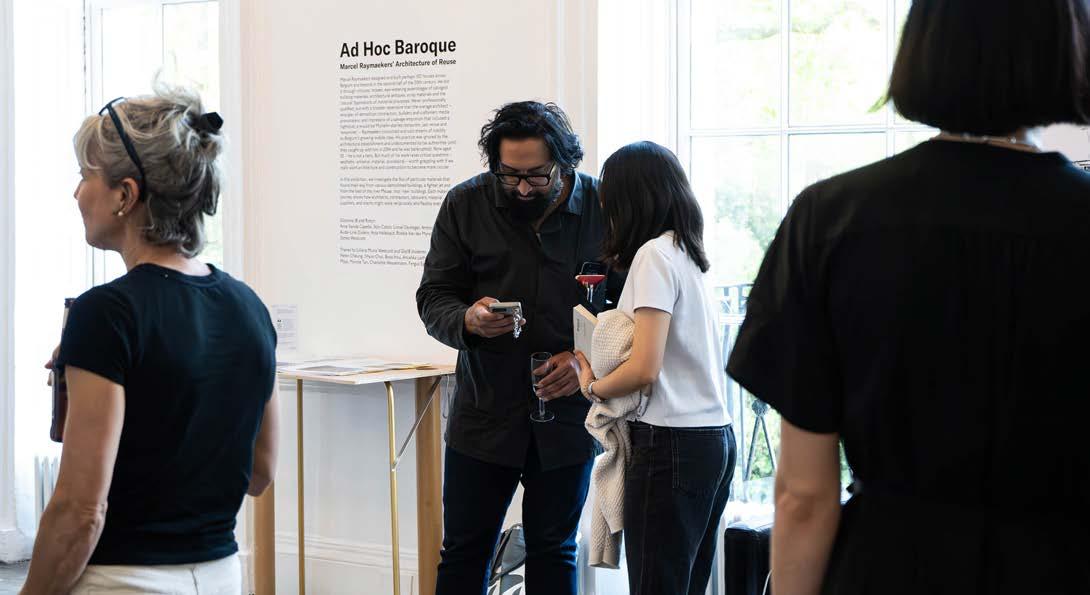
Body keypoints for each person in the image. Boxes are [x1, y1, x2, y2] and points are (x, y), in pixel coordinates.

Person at [727, 1, 1090, 593]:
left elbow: (803, 495)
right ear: (1069, 45)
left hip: (888, 567)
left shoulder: (829, 220)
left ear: (925, 46)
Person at [20, 86, 279, 595]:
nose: (76, 194)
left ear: (125, 194)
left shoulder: (106, 314)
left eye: (84, 176)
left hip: (123, 580)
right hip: (221, 577)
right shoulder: (249, 308)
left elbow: (80, 511)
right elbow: (259, 472)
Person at [416, 101, 623, 595]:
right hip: (484, 414)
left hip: (569, 417)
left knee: (555, 550)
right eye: (510, 176)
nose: (524, 188)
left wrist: (584, 361)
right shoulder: (464, 205)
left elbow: (630, 312)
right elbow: (433, 297)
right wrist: (467, 320)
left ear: (564, 163)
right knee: (464, 552)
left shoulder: (604, 209)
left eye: (537, 175)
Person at [573, 141, 735, 595]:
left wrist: (593, 386)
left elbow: (644, 367)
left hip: (670, 443)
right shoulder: (689, 254)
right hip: (713, 439)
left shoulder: (653, 256)